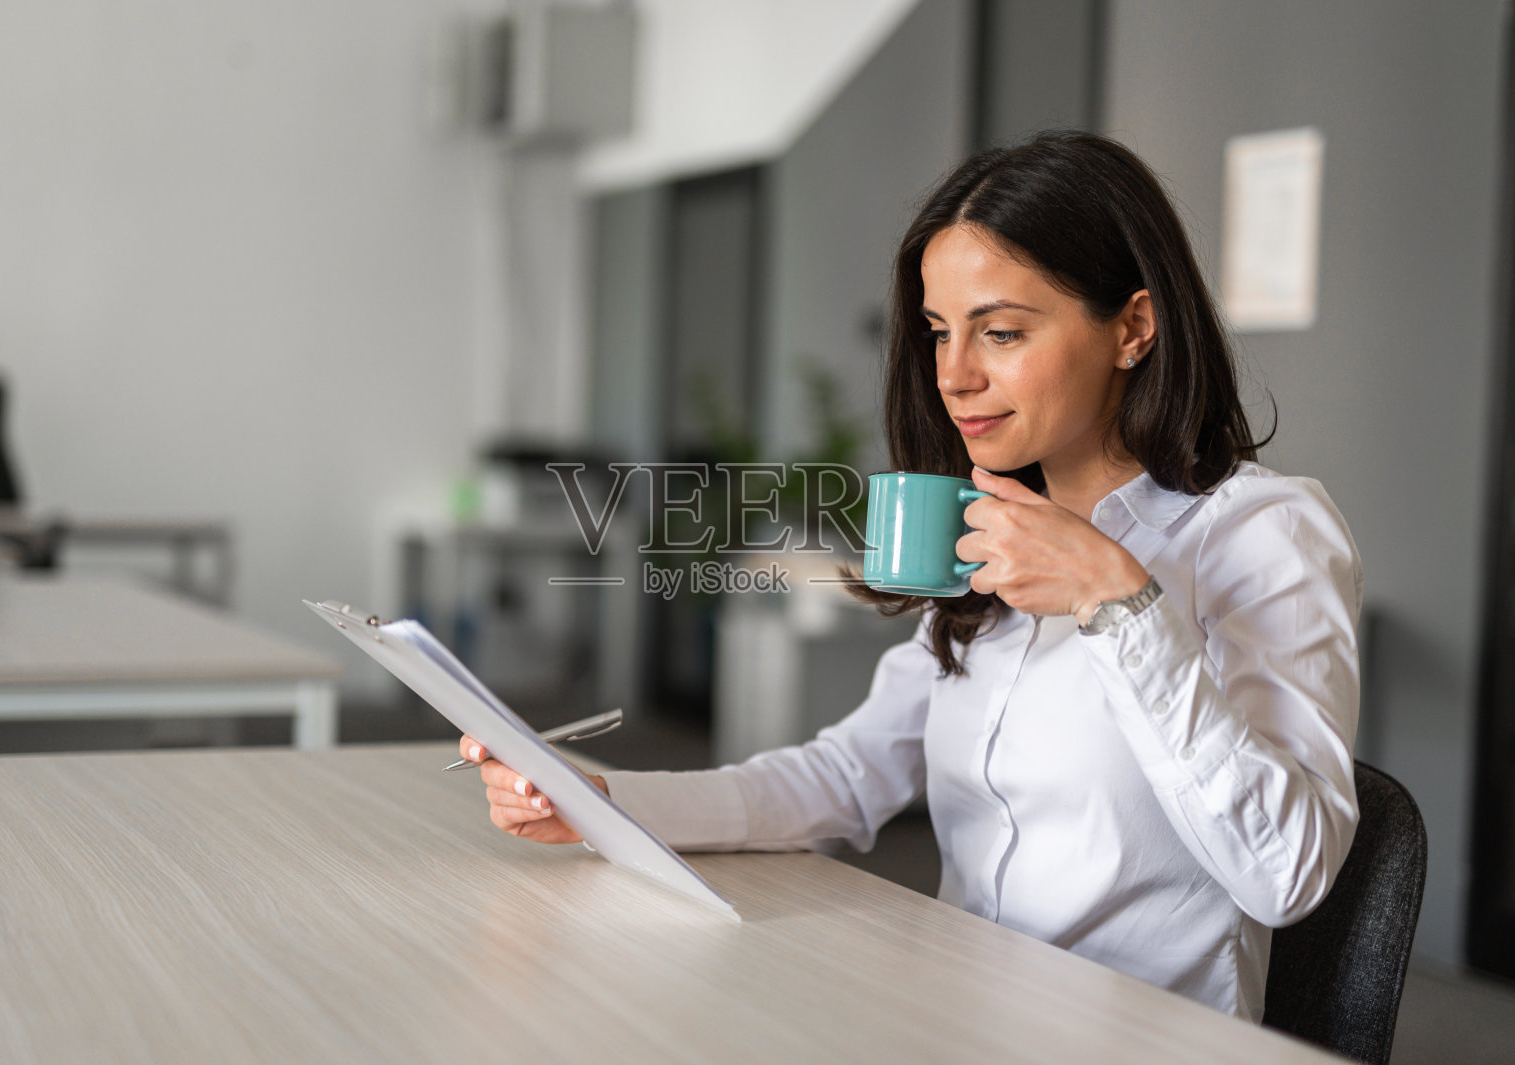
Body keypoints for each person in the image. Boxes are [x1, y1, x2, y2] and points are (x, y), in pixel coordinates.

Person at [458, 130, 1362, 1022]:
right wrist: (604, 805)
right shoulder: (980, 526)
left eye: (1001, 331)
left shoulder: (1262, 533)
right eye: (939, 333)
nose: (954, 376)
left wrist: (1118, 602)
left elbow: (1288, 873)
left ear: (1133, 326)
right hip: (953, 1016)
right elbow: (847, 775)